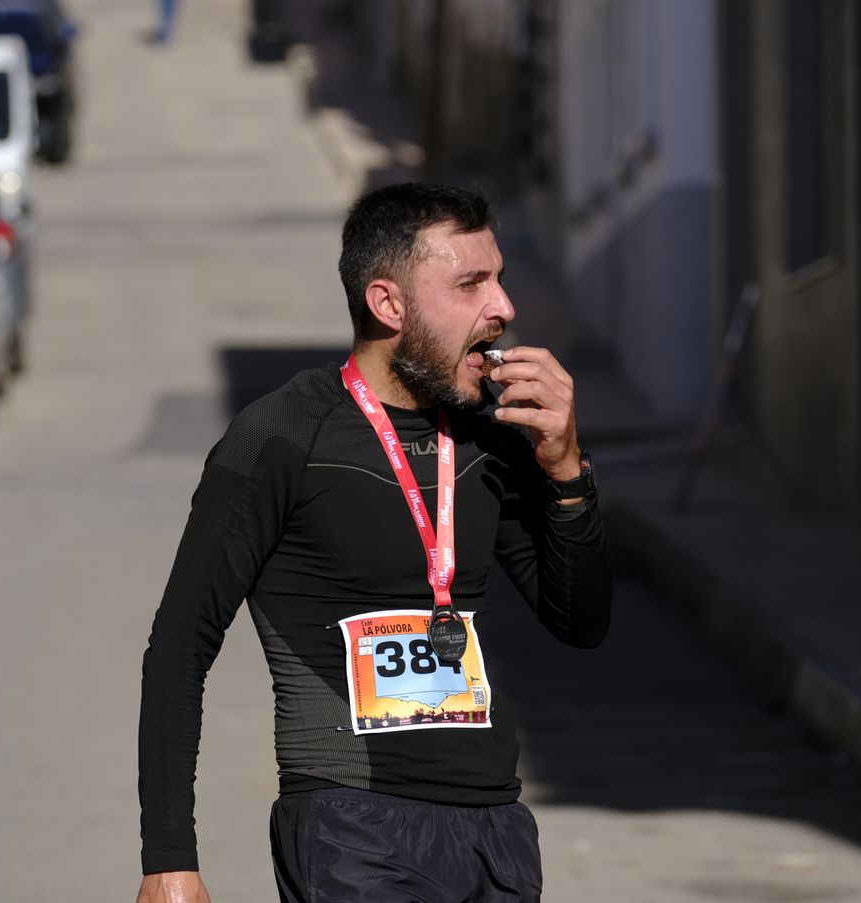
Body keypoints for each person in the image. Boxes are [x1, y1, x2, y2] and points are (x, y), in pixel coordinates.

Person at [136, 183, 613, 903]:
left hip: (495, 829)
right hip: (352, 825)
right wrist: (170, 858)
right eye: (471, 283)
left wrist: (567, 470)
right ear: (389, 304)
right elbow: (180, 644)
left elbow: (579, 621)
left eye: (501, 278)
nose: (504, 308)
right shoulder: (282, 437)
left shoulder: (491, 435)